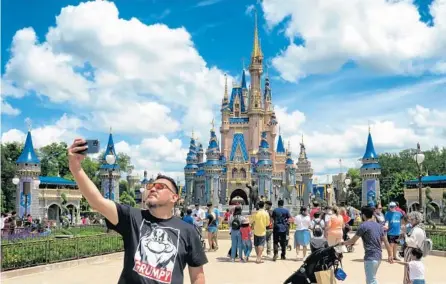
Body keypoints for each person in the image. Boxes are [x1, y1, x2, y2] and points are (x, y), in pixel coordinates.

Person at [68, 139, 207, 284]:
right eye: (152, 186)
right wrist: (75, 167)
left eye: (160, 187)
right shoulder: (132, 217)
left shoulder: (188, 231)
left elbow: (197, 275)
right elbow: (97, 201)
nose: (152, 189)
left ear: (174, 197)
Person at [342, 206, 393, 284]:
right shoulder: (379, 226)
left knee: (371, 280)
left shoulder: (363, 226)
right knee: (372, 278)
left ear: (363, 215)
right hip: (378, 256)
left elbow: (352, 241)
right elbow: (386, 242)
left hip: (370, 257)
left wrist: (342, 243)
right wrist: (390, 255)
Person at [403, 211, 426, 284]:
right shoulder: (420, 229)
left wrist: (404, 234)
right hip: (416, 252)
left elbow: (410, 242)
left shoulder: (416, 230)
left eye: (412, 219)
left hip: (412, 253)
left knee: (408, 272)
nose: (410, 221)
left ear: (416, 220)